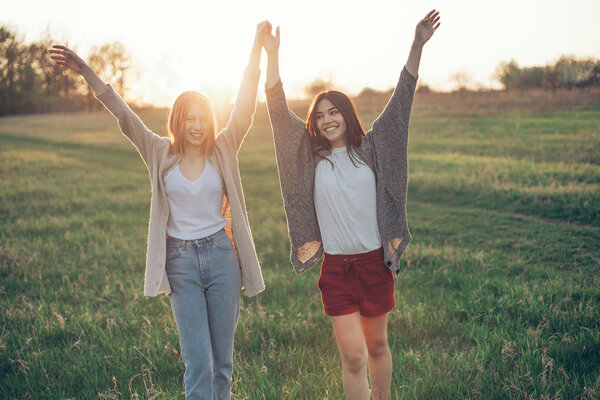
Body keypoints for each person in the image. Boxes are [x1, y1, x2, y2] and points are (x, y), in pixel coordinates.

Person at [48, 21, 270, 400]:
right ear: (178, 120)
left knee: (223, 366)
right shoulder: (158, 151)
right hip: (180, 263)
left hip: (221, 258)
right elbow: (123, 114)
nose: (197, 125)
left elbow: (245, 104)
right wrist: (85, 70)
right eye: (190, 118)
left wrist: (255, 48)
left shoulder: (223, 148)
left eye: (203, 117)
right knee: (198, 365)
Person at [263, 11, 440, 400]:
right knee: (354, 356)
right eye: (320, 115)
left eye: (334, 111)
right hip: (338, 269)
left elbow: (401, 103)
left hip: (374, 263)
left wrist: (416, 45)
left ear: (346, 114)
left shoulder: (372, 148)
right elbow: (277, 110)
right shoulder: (311, 155)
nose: (327, 120)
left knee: (377, 347)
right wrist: (272, 56)